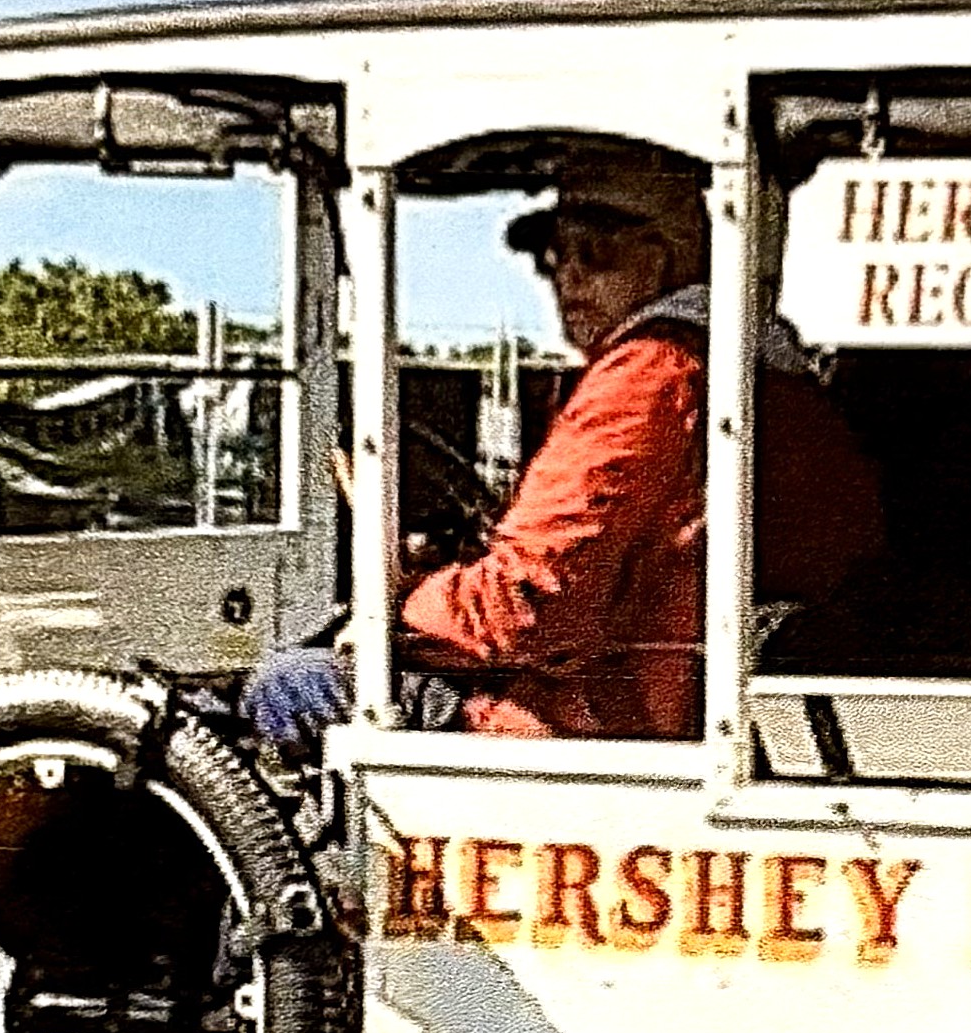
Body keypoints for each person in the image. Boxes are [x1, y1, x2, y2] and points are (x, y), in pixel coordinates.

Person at [247, 156, 881, 751]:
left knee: (288, 679)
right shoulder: (771, 376)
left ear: (673, 257)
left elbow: (526, 606)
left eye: (597, 251)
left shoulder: (654, 371)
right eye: (554, 255)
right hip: (686, 690)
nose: (568, 276)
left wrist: (395, 606)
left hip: (611, 712)